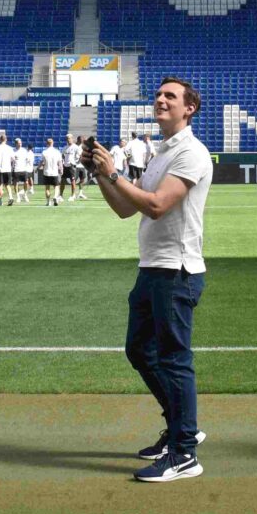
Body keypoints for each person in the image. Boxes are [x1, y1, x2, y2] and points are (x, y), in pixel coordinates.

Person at [92, 78, 213, 483]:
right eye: (158, 95)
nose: (160, 100)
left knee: (175, 359)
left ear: (189, 108)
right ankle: (181, 427)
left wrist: (115, 174)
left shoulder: (192, 153)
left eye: (170, 97)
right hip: (152, 268)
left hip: (175, 270)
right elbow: (127, 209)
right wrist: (102, 175)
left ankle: (184, 455)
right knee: (139, 350)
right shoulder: (164, 152)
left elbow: (157, 206)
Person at [0, 132, 15, 206]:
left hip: (0, 169)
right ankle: (10, 197)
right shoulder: (10, 148)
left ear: (0, 139)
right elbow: (13, 159)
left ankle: (0, 201)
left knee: (0, 185)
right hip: (7, 169)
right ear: (6, 140)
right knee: (8, 185)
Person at [41, 137, 63, 206]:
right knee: (56, 186)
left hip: (46, 172)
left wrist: (38, 168)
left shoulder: (44, 152)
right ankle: (55, 197)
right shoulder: (57, 152)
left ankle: (48, 202)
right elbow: (60, 163)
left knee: (47, 188)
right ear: (53, 143)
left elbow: (43, 163)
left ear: (47, 143)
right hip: (54, 172)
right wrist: (61, 170)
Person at [60, 133, 80, 204]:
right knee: (62, 180)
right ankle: (61, 195)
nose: (68, 140)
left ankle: (73, 195)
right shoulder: (65, 147)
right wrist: (62, 163)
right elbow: (62, 156)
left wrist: (75, 162)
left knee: (72, 180)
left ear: (72, 139)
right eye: (67, 138)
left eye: (69, 138)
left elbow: (79, 156)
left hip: (72, 166)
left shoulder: (76, 147)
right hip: (65, 166)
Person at [74, 135, 89, 200]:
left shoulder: (83, 147)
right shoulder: (74, 146)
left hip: (82, 166)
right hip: (75, 165)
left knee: (82, 179)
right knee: (74, 180)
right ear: (78, 139)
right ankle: (73, 194)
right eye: (81, 140)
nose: (82, 141)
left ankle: (80, 193)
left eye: (83, 140)